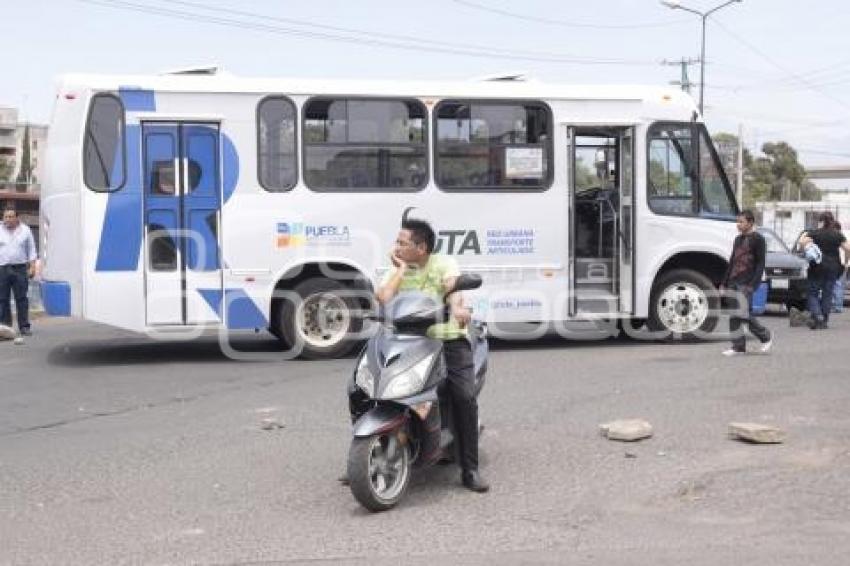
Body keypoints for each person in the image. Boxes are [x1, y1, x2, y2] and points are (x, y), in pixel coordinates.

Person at [375, 218, 489, 493]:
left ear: (421, 247)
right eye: (397, 242)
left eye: (403, 243)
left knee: (463, 396)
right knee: (365, 386)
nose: (397, 247)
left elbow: (452, 289)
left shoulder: (443, 263)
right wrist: (400, 269)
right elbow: (383, 297)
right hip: (406, 340)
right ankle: (370, 453)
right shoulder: (397, 268)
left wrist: (458, 309)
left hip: (446, 338)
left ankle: (469, 468)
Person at [721, 209, 772, 356]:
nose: (738, 224)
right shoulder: (737, 239)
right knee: (734, 314)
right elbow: (732, 261)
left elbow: (760, 263)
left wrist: (753, 285)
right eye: (738, 221)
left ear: (750, 223)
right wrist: (724, 282)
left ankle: (765, 336)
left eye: (741, 222)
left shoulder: (758, 239)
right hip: (733, 281)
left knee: (743, 313)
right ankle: (738, 347)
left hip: (746, 282)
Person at [798, 212, 850, 329]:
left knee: (812, 292)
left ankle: (817, 315)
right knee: (828, 293)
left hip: (817, 266)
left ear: (820, 221)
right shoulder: (837, 234)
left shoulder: (815, 233)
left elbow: (802, 242)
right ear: (832, 221)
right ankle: (824, 320)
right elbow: (848, 249)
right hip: (833, 267)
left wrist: (804, 247)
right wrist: (845, 262)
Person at [0, 207, 38, 336]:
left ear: (17, 218)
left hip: (20, 268)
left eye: (11, 217)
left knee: (21, 299)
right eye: (6, 217)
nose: (8, 219)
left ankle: (24, 326)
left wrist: (32, 267)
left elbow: (32, 250)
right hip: (2, 269)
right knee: (2, 299)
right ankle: (5, 328)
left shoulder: (25, 230)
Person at [831, 221, 846, 314]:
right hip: (842, 263)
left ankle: (837, 306)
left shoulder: (838, 238)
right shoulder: (842, 237)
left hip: (838, 263)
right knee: (838, 285)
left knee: (836, 285)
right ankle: (837, 305)